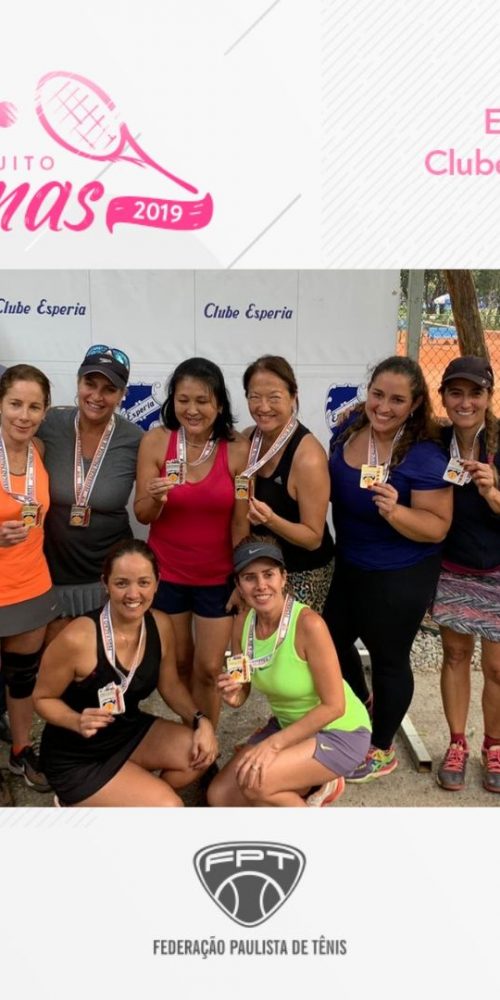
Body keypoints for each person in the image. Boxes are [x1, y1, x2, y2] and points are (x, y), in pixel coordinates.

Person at [323, 355, 453, 782]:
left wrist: (397, 513)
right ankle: (362, 707)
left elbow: (437, 527)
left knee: (388, 659)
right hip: (350, 564)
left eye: (397, 400)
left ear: (415, 405)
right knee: (329, 643)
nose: (384, 406)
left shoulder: (424, 455)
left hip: (401, 574)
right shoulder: (348, 429)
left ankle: (381, 748)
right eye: (377, 394)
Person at [33, 539, 218, 806]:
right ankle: (80, 798)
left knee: (201, 753)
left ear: (157, 582)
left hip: (126, 730)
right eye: (121, 583)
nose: (133, 594)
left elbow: (170, 685)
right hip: (77, 754)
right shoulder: (77, 637)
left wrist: (201, 720)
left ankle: (126, 794)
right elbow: (41, 698)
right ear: (105, 583)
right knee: (170, 806)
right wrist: (76, 720)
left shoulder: (161, 624)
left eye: (143, 582)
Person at [207, 537, 370, 807]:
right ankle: (308, 783)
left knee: (256, 785)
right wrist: (233, 695)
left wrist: (273, 745)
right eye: (249, 577)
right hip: (289, 726)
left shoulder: (309, 625)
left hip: (339, 731)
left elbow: (334, 706)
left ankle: (313, 796)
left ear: (283, 578)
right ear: (238, 585)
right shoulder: (241, 624)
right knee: (220, 796)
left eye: (268, 574)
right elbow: (241, 688)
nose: (261, 585)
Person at [134, 357, 250, 724]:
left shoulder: (238, 449)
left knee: (209, 668)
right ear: (172, 401)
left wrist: (241, 578)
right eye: (183, 400)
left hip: (218, 578)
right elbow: (142, 514)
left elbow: (241, 521)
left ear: (220, 405)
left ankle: (208, 741)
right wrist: (156, 498)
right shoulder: (155, 442)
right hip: (167, 574)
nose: (192, 410)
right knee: (180, 663)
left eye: (202, 401)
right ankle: (192, 733)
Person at [37, 344, 143, 635]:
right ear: (78, 382)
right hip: (52, 572)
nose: (96, 396)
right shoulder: (48, 423)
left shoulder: (135, 438)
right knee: (57, 655)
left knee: (105, 656)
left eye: (109, 389)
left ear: (122, 395)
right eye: (90, 384)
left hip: (110, 576)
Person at [432, 356, 500, 793]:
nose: (465, 402)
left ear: (488, 397)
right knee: (455, 655)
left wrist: (494, 492)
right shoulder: (434, 442)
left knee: (497, 667)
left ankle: (494, 746)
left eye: (475, 393)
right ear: (443, 397)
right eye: (455, 393)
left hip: (497, 568)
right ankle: (457, 742)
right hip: (451, 567)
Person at [0, 364, 61, 801]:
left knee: (22, 679)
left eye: (34, 406)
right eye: (15, 404)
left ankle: (21, 750)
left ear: (45, 411)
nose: (24, 415)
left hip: (31, 586)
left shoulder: (38, 449)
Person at [242, 355, 334, 613]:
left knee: (293, 639)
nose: (263, 407)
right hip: (259, 570)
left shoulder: (308, 456)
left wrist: (270, 520)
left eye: (274, 397)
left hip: (302, 572)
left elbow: (313, 538)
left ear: (293, 397)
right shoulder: (248, 438)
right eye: (254, 397)